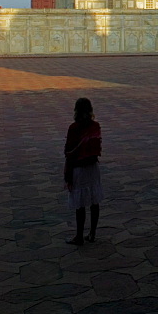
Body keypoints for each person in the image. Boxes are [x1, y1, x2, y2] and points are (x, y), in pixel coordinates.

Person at [64, 97, 103, 245]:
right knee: (94, 200)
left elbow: (68, 151)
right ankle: (92, 233)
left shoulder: (74, 128)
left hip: (79, 168)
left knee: (80, 204)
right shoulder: (95, 126)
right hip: (92, 167)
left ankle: (79, 236)